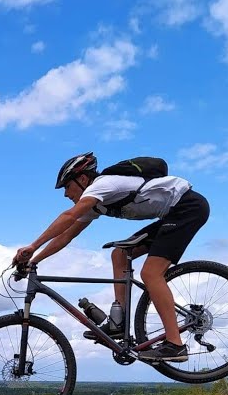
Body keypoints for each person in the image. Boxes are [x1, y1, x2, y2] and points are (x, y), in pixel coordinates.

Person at [12, 152, 210, 362]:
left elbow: (68, 216)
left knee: (151, 273)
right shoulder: (96, 203)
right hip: (173, 213)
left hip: (188, 208)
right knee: (120, 254)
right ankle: (119, 322)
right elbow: (66, 235)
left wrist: (33, 246)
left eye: (67, 186)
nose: (65, 194)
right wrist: (34, 261)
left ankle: (175, 345)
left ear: (82, 179)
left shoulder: (102, 185)